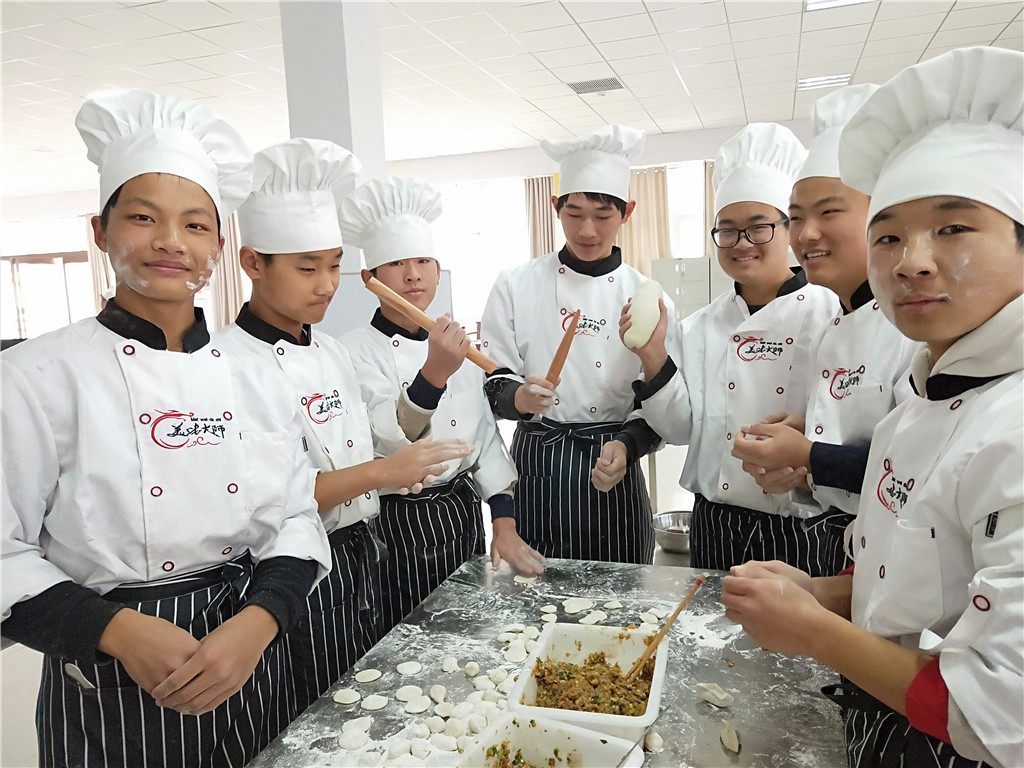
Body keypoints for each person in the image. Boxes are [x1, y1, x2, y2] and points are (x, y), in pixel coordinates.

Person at [1, 91, 332, 768]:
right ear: (100, 230)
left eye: (196, 225)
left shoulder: (255, 372)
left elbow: (297, 515)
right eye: (143, 217)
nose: (171, 243)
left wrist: (259, 623)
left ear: (218, 243)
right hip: (107, 665)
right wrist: (117, 631)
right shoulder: (36, 374)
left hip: (245, 648)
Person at [722, 46, 1023, 768]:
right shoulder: (922, 402)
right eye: (889, 235)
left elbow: (999, 718)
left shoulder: (1011, 429)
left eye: (953, 227)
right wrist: (823, 592)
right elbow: (923, 579)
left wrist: (818, 631)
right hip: (888, 723)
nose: (911, 260)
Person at [216, 139, 470, 714]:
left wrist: (394, 466)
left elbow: (371, 444)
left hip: (364, 553)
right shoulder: (228, 366)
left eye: (333, 265)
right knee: (314, 713)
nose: (327, 284)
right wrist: (385, 471)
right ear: (253, 263)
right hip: (294, 575)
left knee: (368, 702)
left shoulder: (329, 351)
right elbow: (272, 500)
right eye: (307, 268)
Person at [620, 122, 839, 574]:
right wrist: (653, 355)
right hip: (716, 522)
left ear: (789, 229)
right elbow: (681, 429)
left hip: (801, 525)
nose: (742, 244)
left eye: (758, 228)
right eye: (728, 230)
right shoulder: (702, 325)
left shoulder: (830, 313)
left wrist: (808, 463)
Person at [339, 176, 544, 634]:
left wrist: (504, 524)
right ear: (371, 279)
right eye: (396, 263)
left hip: (459, 515)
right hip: (397, 527)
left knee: (466, 635)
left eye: (423, 261)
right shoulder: (352, 352)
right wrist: (434, 373)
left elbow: (486, 444)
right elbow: (388, 440)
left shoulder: (459, 347)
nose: (413, 274)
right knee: (408, 643)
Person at [730, 85, 918, 569]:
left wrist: (812, 454)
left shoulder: (915, 326)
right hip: (839, 544)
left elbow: (922, 466)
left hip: (902, 552)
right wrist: (799, 457)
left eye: (829, 211)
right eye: (796, 217)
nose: (806, 234)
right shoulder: (840, 322)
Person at [479, 124, 675, 564]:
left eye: (603, 215)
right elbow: (491, 380)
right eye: (574, 213)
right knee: (535, 614)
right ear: (555, 206)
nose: (587, 229)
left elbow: (660, 400)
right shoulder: (516, 284)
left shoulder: (649, 297)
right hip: (538, 468)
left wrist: (627, 446)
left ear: (628, 212)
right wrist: (522, 398)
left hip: (613, 466)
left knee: (621, 609)